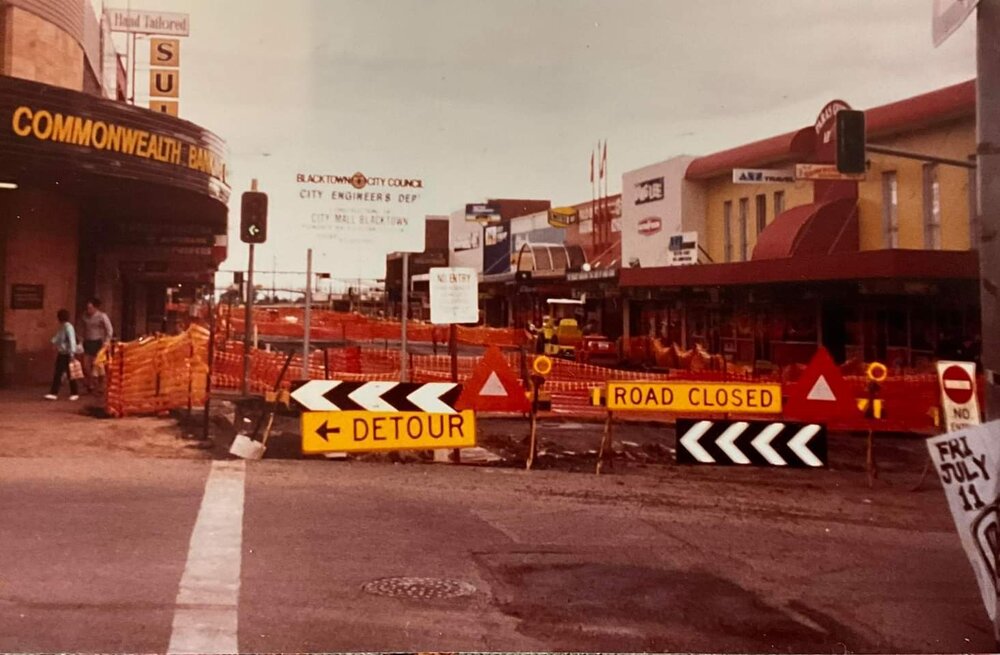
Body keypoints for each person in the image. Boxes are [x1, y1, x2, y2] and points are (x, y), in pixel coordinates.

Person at [80, 298, 113, 394]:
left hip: (98, 342)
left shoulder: (102, 316)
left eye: (90, 308)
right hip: (87, 341)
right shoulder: (85, 316)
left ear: (95, 307)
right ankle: (91, 382)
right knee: (86, 365)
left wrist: (107, 341)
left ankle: (100, 385)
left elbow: (109, 329)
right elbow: (82, 328)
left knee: (98, 365)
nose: (88, 310)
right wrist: (81, 339)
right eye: (87, 308)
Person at [45, 309, 79, 401]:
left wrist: (72, 353)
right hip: (62, 353)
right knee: (59, 373)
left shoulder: (68, 327)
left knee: (69, 373)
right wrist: (54, 342)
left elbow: (72, 340)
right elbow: (58, 337)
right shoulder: (63, 327)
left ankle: (74, 392)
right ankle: (54, 392)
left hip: (67, 353)